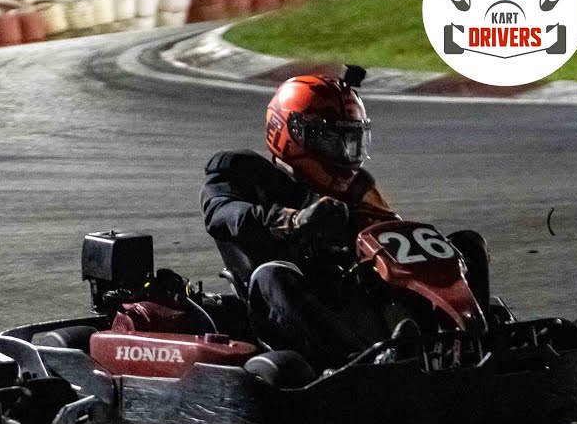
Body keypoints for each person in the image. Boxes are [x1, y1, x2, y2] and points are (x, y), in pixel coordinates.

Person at [200, 66, 490, 368]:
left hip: (355, 291)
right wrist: (293, 220)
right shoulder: (241, 171)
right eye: (332, 140)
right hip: (291, 307)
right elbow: (221, 213)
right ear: (292, 133)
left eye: (350, 140)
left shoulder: (356, 186)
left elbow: (389, 228)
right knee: (274, 274)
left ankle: (474, 337)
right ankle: (358, 363)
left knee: (466, 244)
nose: (343, 153)